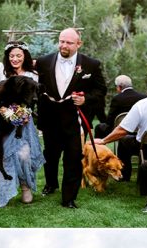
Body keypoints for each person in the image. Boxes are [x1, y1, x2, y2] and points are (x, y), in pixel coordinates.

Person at [35, 28, 107, 209]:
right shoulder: (43, 62)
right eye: (61, 41)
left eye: (68, 42)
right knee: (50, 156)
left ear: (78, 44)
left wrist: (85, 99)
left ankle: (68, 198)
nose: (64, 45)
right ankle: (51, 184)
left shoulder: (91, 65)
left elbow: (101, 91)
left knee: (73, 159)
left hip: (76, 122)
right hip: (50, 120)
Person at [0, 41, 45, 207]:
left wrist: (24, 114)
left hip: (24, 123)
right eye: (12, 56)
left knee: (24, 154)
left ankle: (26, 187)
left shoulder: (32, 74)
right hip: (1, 120)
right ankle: (4, 193)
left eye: (18, 55)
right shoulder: (0, 70)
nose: (15, 59)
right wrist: (4, 110)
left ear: (24, 56)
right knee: (3, 155)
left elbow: (33, 97)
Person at [94, 70, 147, 182]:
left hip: (145, 147)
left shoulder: (142, 104)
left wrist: (104, 141)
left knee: (124, 140)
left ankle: (125, 176)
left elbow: (122, 130)